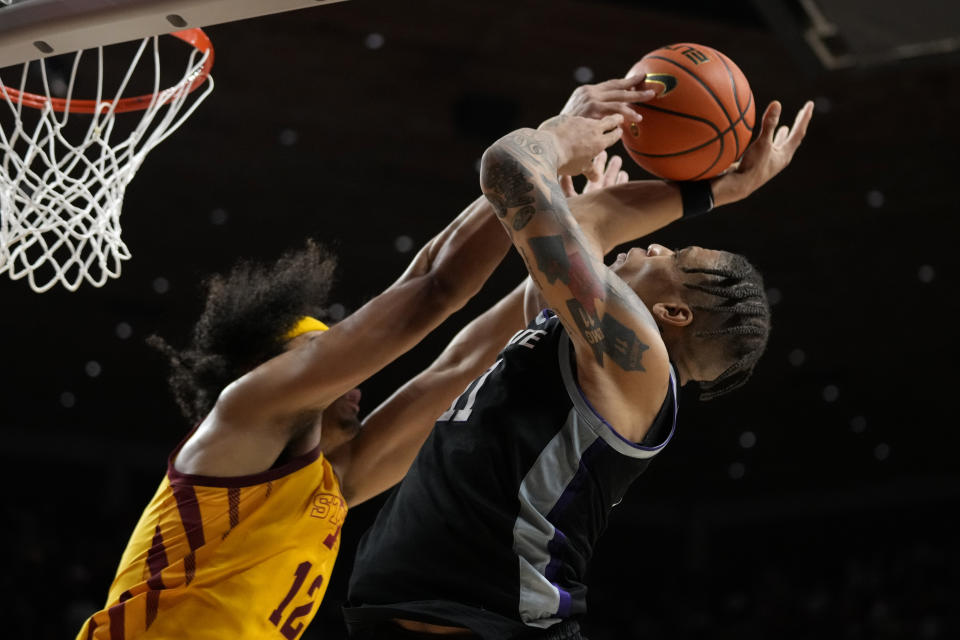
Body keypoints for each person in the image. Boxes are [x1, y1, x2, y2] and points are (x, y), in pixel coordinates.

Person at [74, 77, 664, 639]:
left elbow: (458, 370)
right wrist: (545, 146)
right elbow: (433, 284)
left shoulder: (328, 486)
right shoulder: (240, 421)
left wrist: (576, 243)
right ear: (270, 374)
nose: (349, 371)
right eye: (319, 356)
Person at [343, 99, 814, 639]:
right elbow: (586, 225)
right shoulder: (589, 347)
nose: (658, 243)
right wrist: (712, 190)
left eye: (675, 256)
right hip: (436, 617)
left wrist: (558, 142)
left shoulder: (639, 361)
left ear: (673, 314)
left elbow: (508, 170)